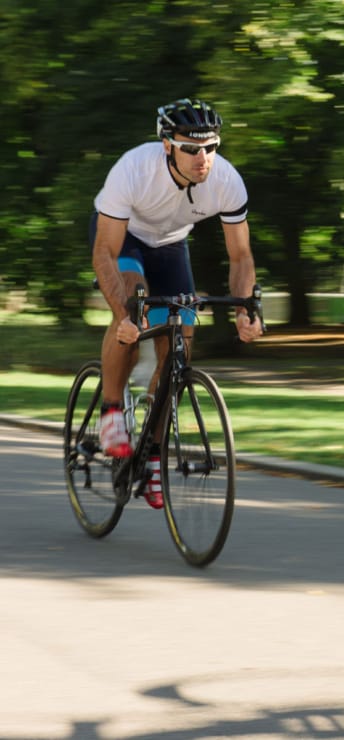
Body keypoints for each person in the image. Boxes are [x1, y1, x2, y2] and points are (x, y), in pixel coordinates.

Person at [91, 98, 263, 509]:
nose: (202, 157)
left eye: (211, 146)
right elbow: (103, 253)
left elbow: (241, 257)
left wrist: (244, 308)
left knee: (179, 347)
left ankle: (153, 456)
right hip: (124, 238)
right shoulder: (133, 170)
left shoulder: (226, 180)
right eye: (191, 148)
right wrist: (121, 316)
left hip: (169, 247)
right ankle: (112, 411)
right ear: (167, 144)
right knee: (132, 308)